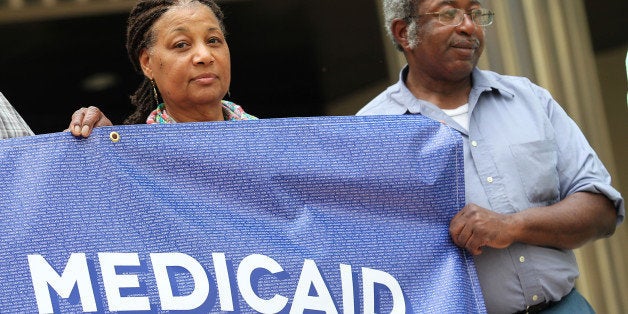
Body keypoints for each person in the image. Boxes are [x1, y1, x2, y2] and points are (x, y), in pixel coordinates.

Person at [357, 0, 624, 313]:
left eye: (475, 13)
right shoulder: (369, 131)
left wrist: (511, 226)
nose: (469, 26)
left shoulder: (530, 99)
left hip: (565, 306)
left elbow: (602, 210)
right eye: (448, 13)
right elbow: (363, 257)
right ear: (405, 32)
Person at [68, 0, 256, 138]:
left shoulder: (273, 143)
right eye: (181, 44)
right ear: (147, 63)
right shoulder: (136, 159)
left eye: (213, 40)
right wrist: (103, 155)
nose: (205, 56)